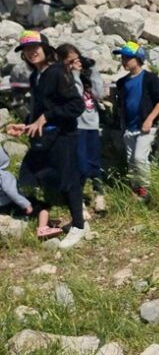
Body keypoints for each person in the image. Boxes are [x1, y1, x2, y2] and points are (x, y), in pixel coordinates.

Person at [5, 30, 89, 248]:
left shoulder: (58, 71)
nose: (31, 52)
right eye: (26, 49)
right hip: (45, 137)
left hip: (63, 136)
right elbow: (41, 110)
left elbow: (76, 105)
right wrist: (26, 125)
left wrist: (46, 117)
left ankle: (79, 226)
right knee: (34, 177)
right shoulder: (36, 76)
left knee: (69, 180)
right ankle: (56, 221)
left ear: (46, 49)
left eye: (35, 47)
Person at [113, 42, 159, 202]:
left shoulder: (150, 78)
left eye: (128, 58)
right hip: (129, 128)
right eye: (122, 58)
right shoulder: (121, 82)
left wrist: (149, 119)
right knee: (131, 161)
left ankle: (145, 190)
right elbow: (121, 104)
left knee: (139, 158)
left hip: (146, 127)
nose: (124, 61)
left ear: (138, 59)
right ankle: (136, 189)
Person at [57, 44, 106, 213]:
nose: (77, 64)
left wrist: (93, 70)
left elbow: (99, 94)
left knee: (94, 162)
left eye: (78, 60)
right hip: (76, 126)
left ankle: (99, 195)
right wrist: (75, 74)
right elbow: (76, 97)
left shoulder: (86, 77)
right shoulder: (64, 78)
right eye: (71, 61)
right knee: (80, 165)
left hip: (92, 125)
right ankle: (78, 201)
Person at [0, 146, 62, 238]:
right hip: (10, 204)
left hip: (2, 207)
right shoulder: (4, 176)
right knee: (42, 206)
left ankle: (47, 221)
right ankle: (43, 228)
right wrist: (26, 204)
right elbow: (12, 192)